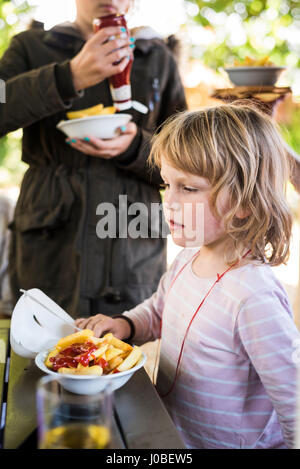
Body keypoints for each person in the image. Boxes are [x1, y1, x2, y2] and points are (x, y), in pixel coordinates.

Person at [76, 103, 300, 449]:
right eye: (168, 185)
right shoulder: (188, 258)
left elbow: (293, 401)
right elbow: (159, 311)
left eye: (189, 188)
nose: (170, 202)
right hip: (171, 436)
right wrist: (125, 325)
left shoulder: (254, 296)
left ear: (244, 201)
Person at [0, 0, 187, 316]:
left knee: (122, 358)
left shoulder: (158, 61)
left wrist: (136, 148)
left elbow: (187, 161)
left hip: (131, 250)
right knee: (40, 351)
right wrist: (66, 78)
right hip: (49, 247)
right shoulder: (30, 47)